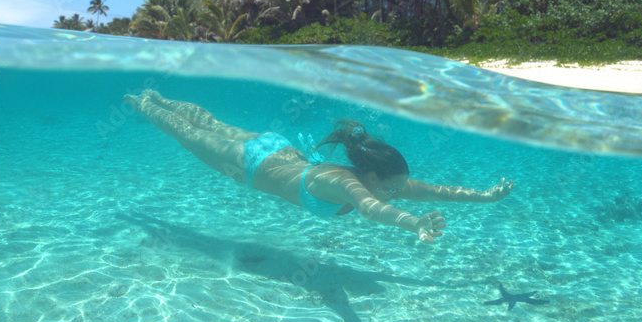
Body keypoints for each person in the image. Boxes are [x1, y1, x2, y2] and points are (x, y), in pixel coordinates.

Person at [123, 90, 514, 244]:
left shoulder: (382, 181)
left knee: (207, 125)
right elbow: (370, 208)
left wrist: (486, 197)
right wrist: (413, 224)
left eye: (399, 188)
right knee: (189, 135)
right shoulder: (349, 186)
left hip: (278, 149)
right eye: (394, 188)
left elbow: (432, 190)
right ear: (374, 177)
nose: (399, 192)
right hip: (250, 162)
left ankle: (157, 98)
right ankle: (146, 103)